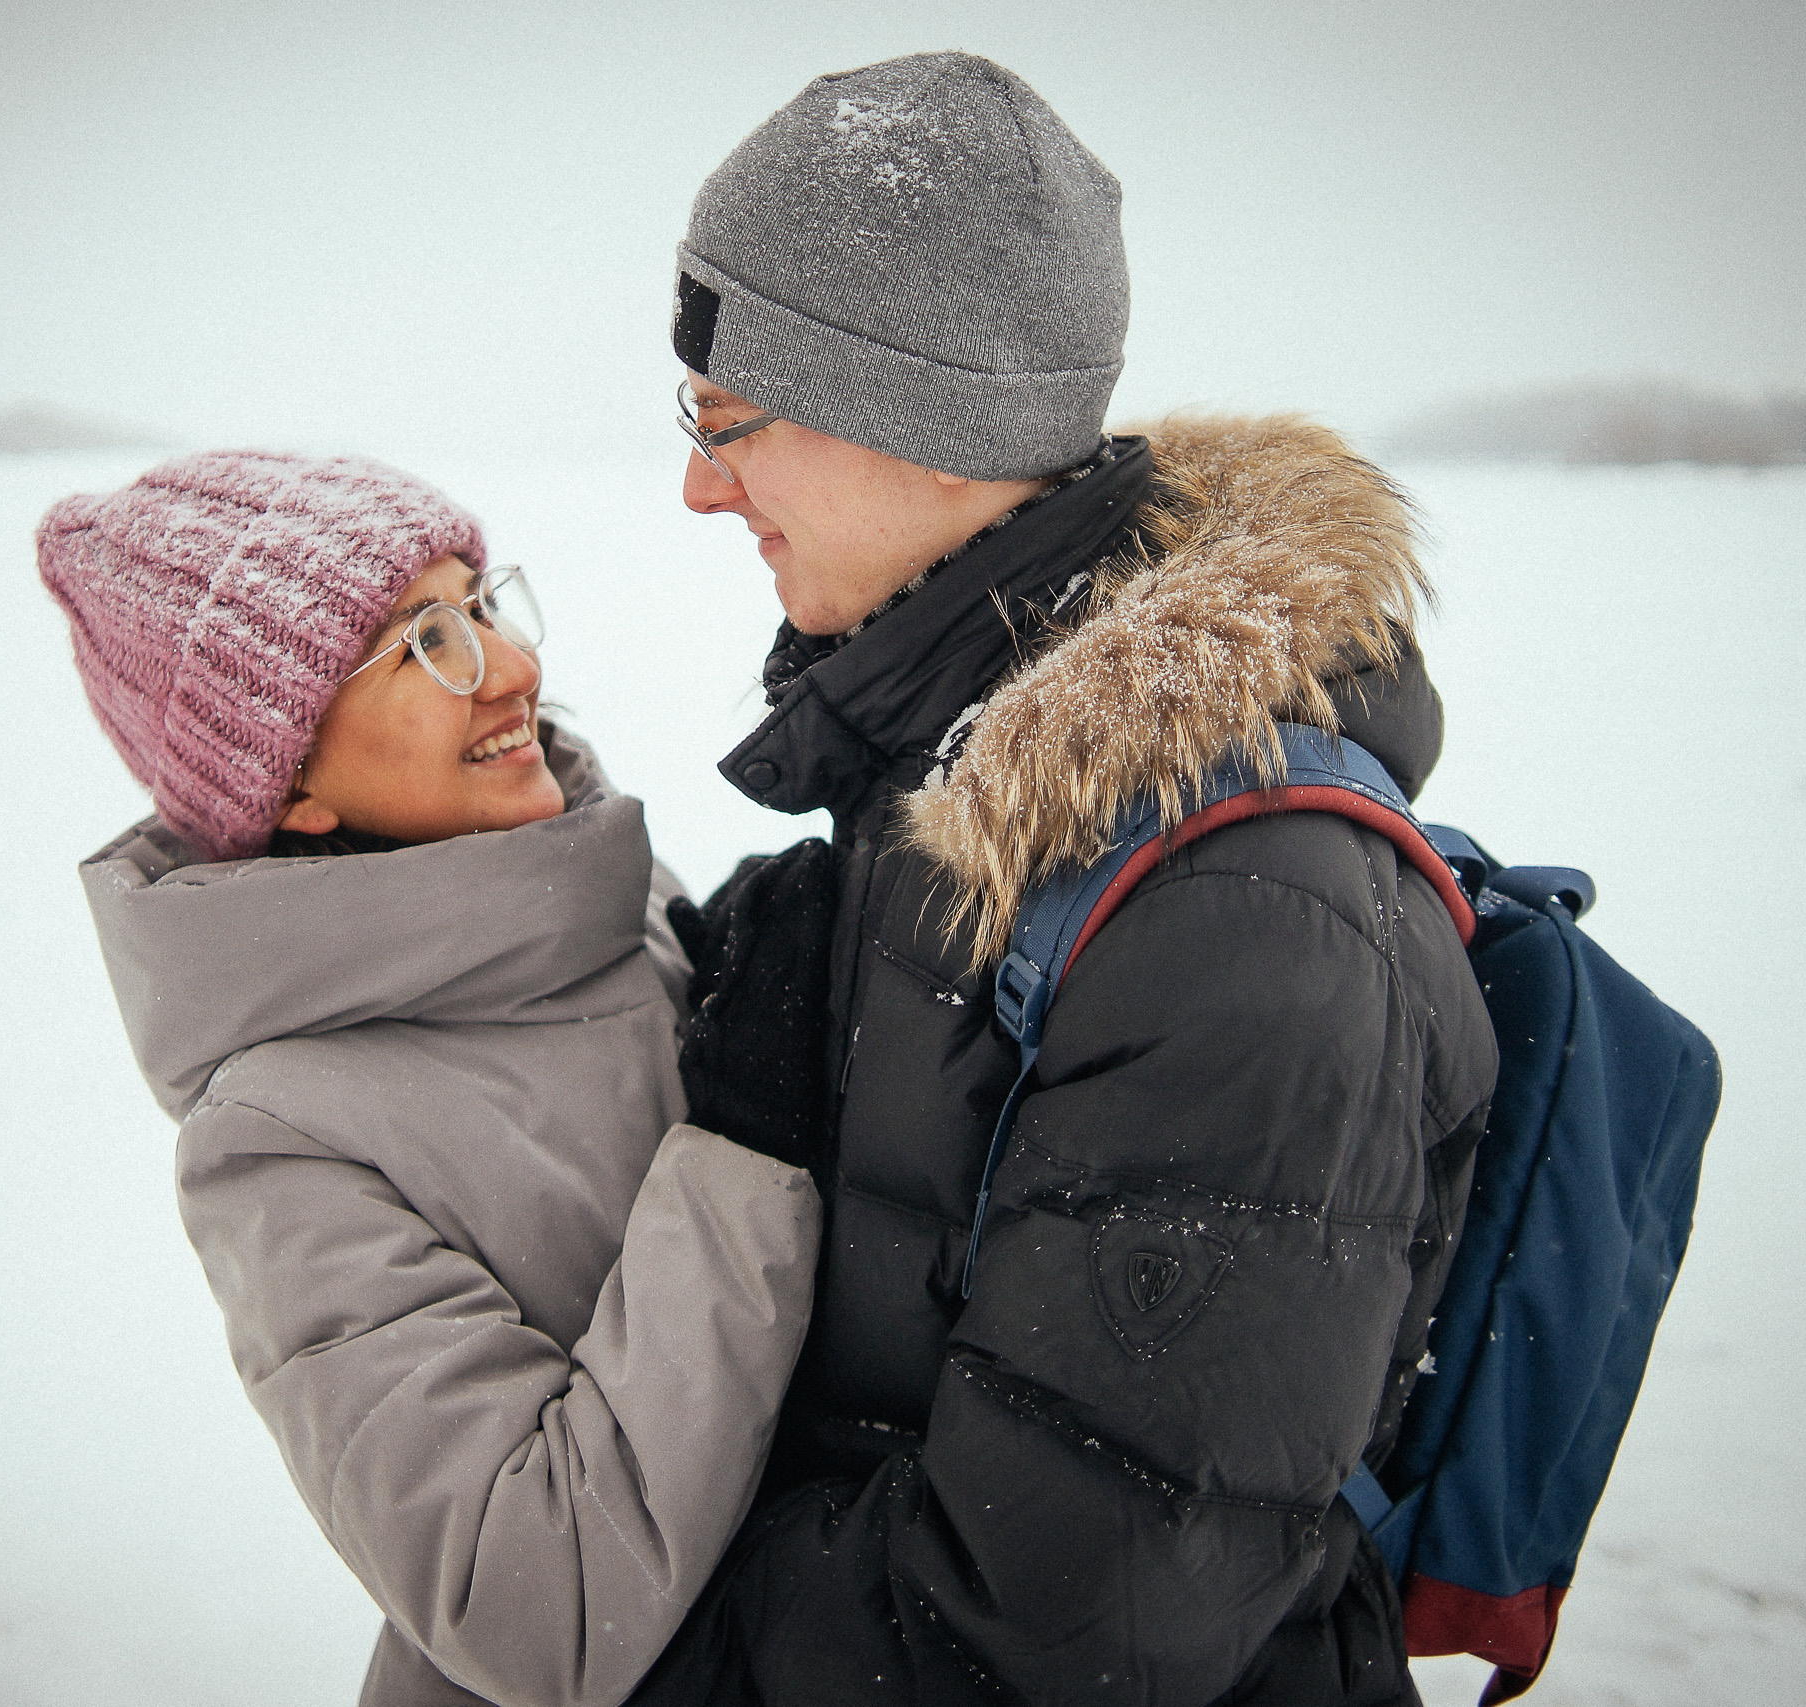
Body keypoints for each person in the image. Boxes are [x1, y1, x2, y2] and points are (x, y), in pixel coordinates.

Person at [636, 53, 1499, 1706]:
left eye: (730, 420)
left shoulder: (1253, 932)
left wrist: (606, 1635)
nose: (700, 480)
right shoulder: (942, 780)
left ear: (920, 419)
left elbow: (1051, 1648)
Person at [37, 450, 822, 1707]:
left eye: (483, 606)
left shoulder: (622, 904)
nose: (512, 669)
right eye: (422, 644)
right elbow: (544, 1605)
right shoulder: (282, 1142)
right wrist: (740, 1152)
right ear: (287, 784)